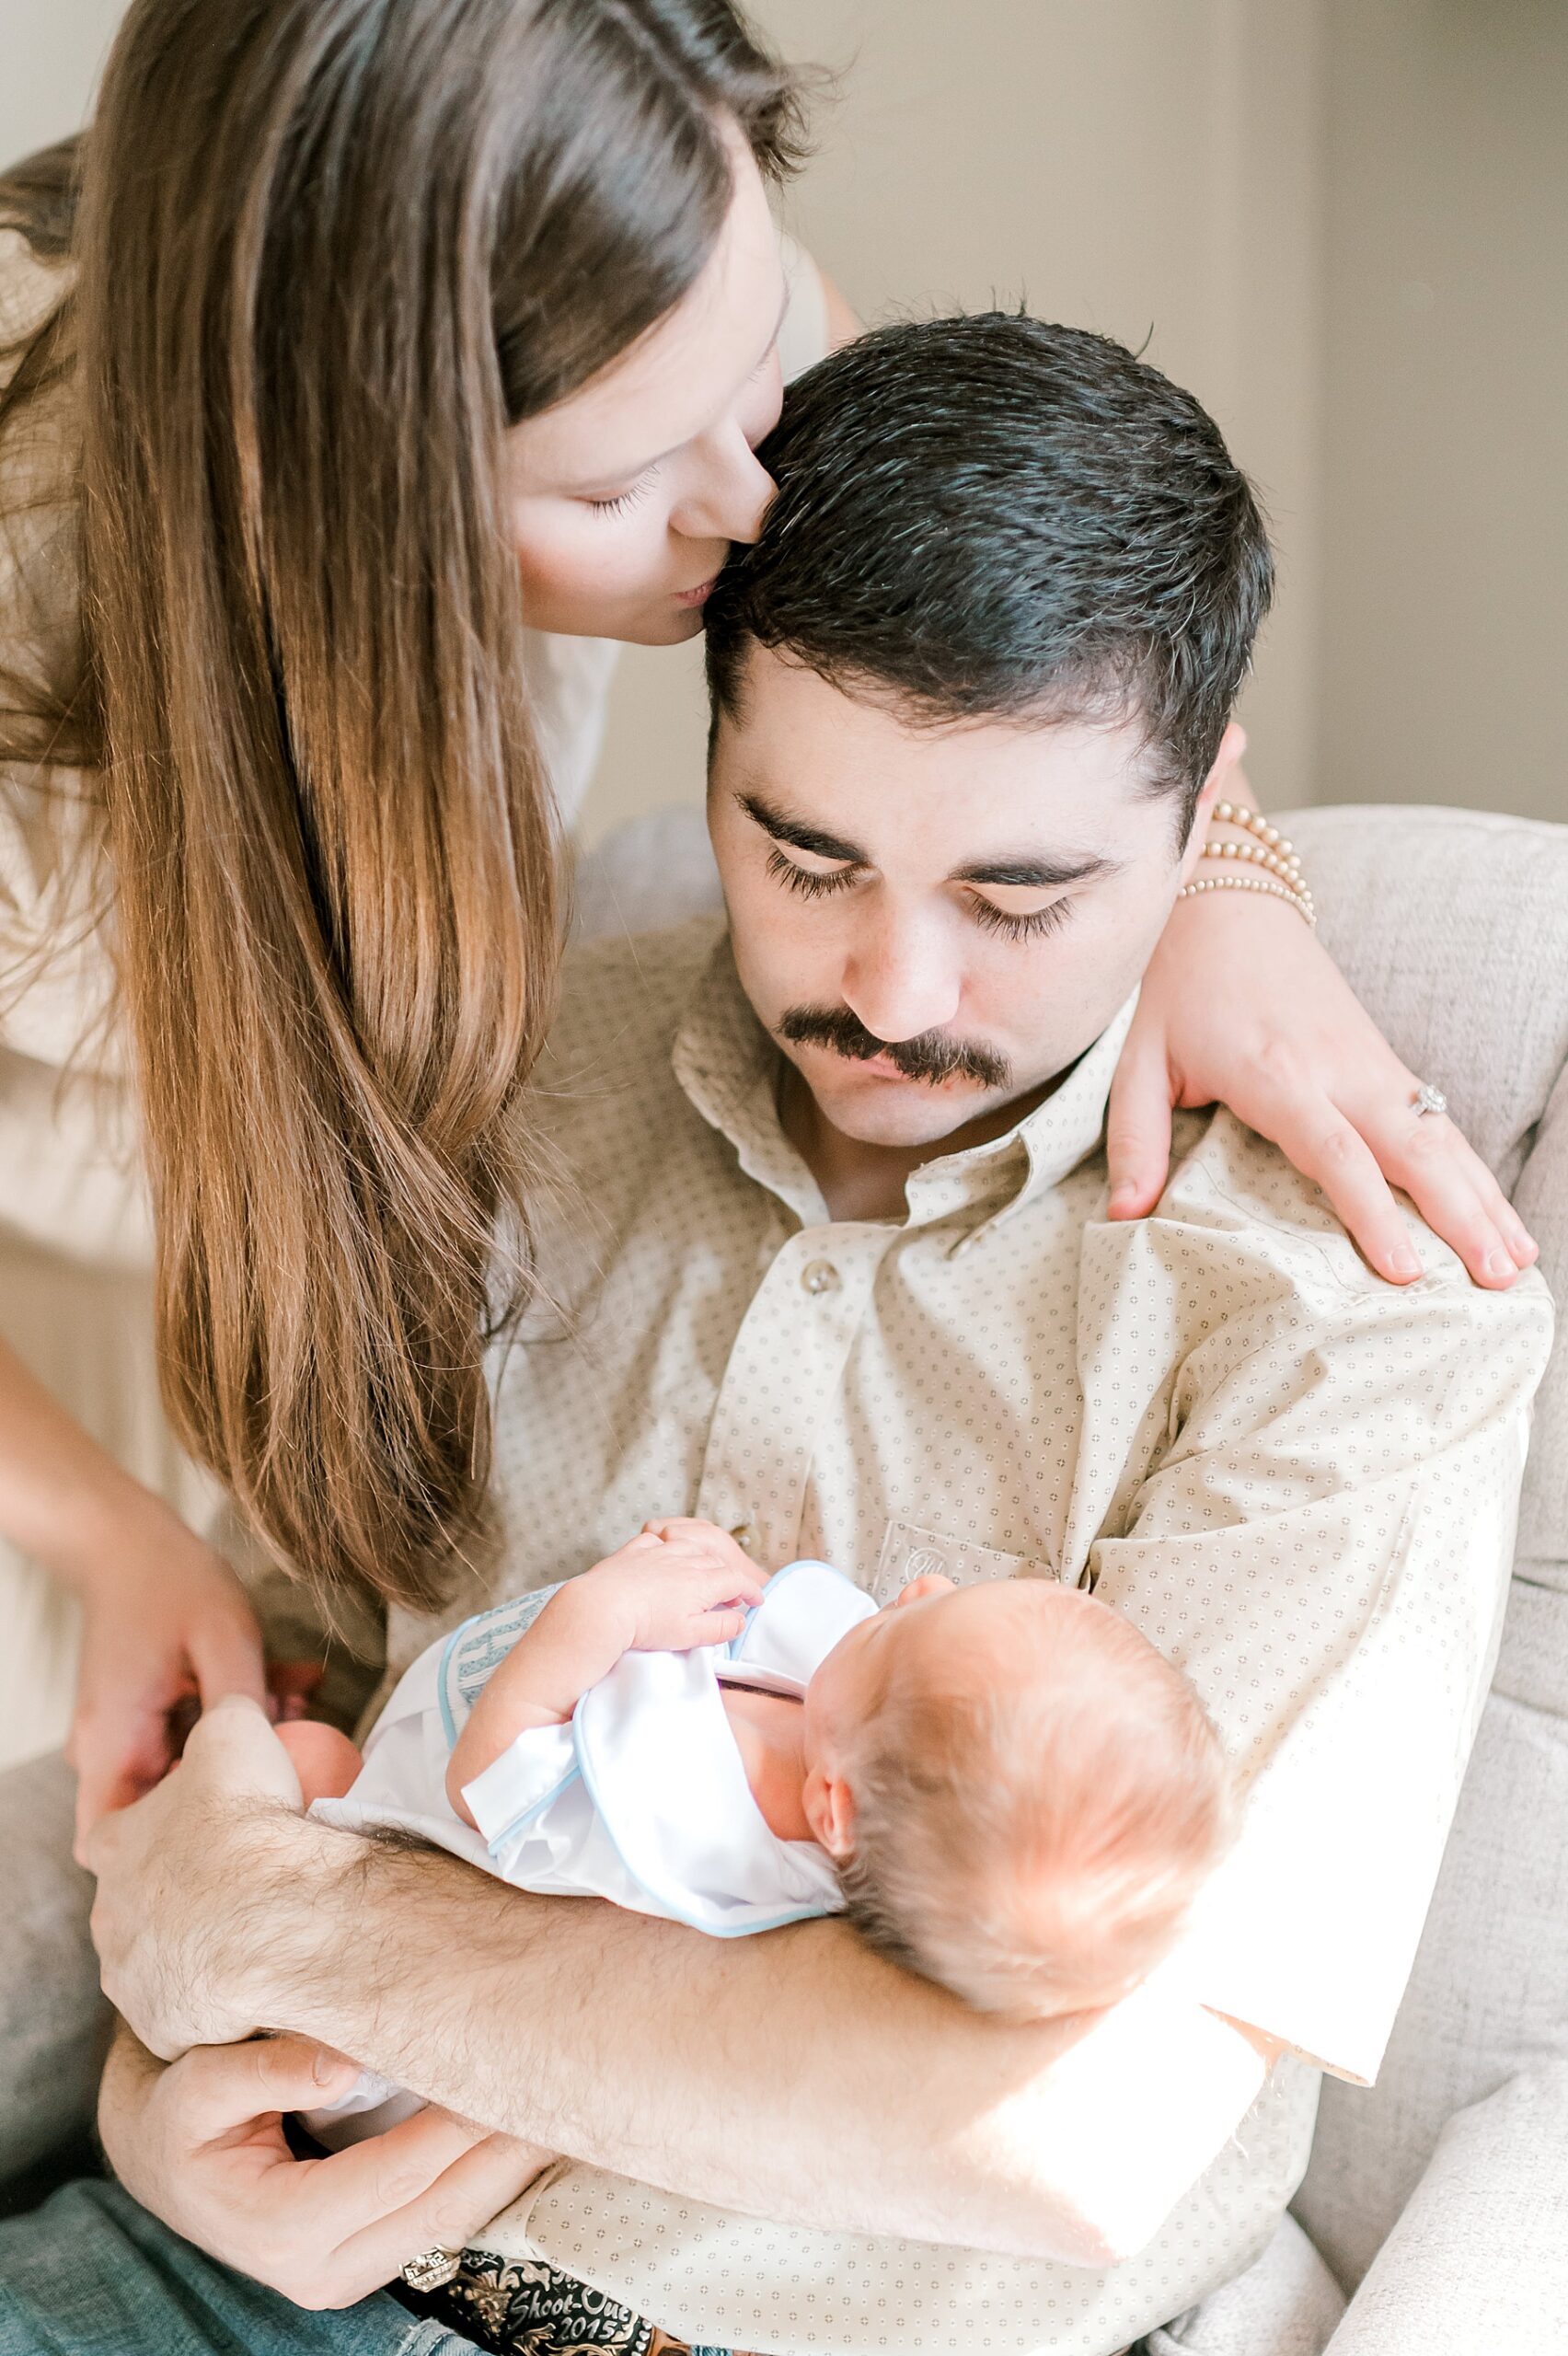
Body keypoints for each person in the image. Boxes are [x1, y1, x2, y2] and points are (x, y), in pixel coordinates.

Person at [23, 311, 1550, 2356]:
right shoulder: (508, 1086)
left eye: (1019, 895)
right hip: (237, 2265)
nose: (893, 988)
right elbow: (286, 1680)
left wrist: (291, 1930)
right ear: (714, 738)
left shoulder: (1356, 1302)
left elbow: (1076, 2126)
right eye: (802, 851)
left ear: (1206, 823)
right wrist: (153, 2106)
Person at [0, 0, 1538, 1843]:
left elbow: (1040, 612)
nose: (748, 509)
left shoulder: (634, 298)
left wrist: (1228, 875)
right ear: (328, 493)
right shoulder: (51, 607)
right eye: (617, 484)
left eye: (745, 379)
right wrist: (103, 1527)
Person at [286, 1520, 1228, 2158]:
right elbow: (728, 1630)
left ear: (835, 1812)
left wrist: (602, 1609)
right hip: (397, 1761)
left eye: (914, 1625)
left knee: (298, 1758)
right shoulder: (851, 1729)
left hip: (367, 2018)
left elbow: (493, 1784)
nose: (922, 1584)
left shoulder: (701, 1823)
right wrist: (693, 1563)